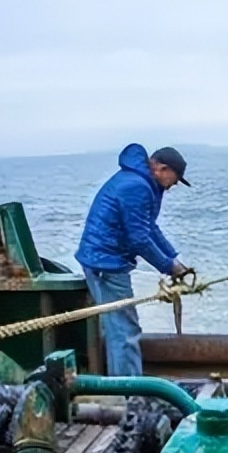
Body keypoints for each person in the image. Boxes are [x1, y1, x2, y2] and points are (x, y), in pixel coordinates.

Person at [76, 144, 192, 376]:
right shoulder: (137, 187)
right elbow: (139, 238)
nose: (173, 186)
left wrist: (173, 259)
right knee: (125, 331)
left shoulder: (140, 182)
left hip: (105, 260)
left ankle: (120, 387)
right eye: (175, 179)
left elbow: (149, 228)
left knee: (118, 327)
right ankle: (130, 395)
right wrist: (169, 267)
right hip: (105, 264)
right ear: (161, 168)